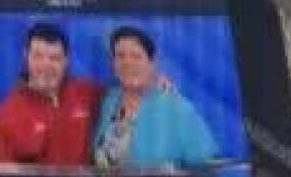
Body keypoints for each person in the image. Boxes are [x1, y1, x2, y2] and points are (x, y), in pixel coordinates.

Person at [93, 26, 218, 169]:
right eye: (120, 56)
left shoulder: (176, 108)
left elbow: (207, 165)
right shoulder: (109, 101)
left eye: (136, 56)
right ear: (112, 63)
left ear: (152, 63)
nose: (127, 63)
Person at [0, 23, 98, 165]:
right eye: (38, 56)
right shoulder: (8, 111)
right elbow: (5, 173)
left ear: (66, 61)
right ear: (26, 56)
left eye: (54, 58)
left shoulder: (87, 93)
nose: (45, 65)